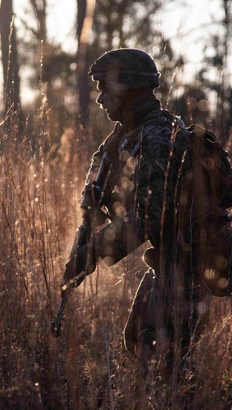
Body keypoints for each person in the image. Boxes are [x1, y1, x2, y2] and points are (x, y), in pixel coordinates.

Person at [63, 48, 206, 373]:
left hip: (187, 270)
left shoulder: (155, 137)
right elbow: (119, 189)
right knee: (139, 343)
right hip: (170, 265)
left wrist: (94, 252)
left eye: (105, 88)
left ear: (129, 90)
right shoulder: (130, 135)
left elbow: (146, 217)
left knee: (160, 361)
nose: (100, 98)